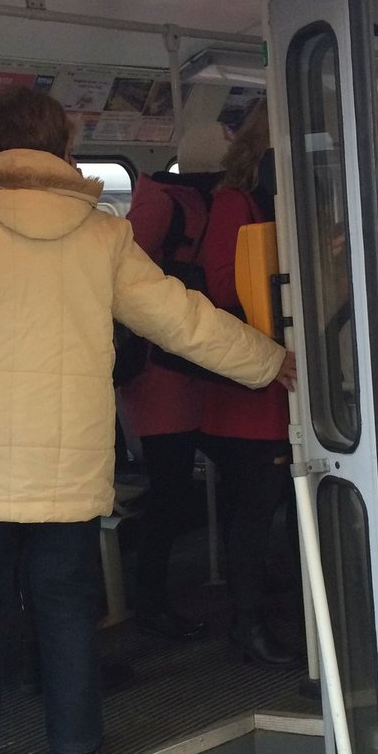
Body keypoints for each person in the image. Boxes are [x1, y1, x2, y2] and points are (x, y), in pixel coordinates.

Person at [0, 86, 294, 754]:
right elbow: (181, 319)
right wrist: (267, 359)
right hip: (66, 472)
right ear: (68, 150)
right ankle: (76, 744)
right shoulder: (102, 234)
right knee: (65, 603)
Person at [118, 122, 230, 640]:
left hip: (186, 364)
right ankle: (150, 603)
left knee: (177, 490)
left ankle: (159, 597)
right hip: (161, 371)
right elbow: (128, 280)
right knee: (168, 493)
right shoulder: (163, 202)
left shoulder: (178, 198)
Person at [198, 101, 300, 669]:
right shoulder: (235, 204)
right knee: (253, 512)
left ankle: (272, 608)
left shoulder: (287, 203)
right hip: (248, 388)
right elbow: (220, 290)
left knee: (279, 505)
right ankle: (247, 623)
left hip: (284, 384)